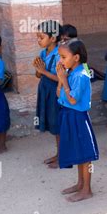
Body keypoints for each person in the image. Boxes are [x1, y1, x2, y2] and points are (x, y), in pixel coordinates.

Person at [56, 40, 99, 202]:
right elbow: (58, 93)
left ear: (76, 58)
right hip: (68, 115)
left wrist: (64, 80)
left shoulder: (80, 75)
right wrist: (62, 79)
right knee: (78, 151)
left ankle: (87, 189)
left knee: (85, 154)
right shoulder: (71, 72)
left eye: (63, 57)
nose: (60, 61)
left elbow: (73, 99)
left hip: (78, 117)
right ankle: (80, 184)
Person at [33, 20, 62, 168]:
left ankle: (63, 156)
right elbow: (38, 76)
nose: (38, 40)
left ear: (53, 38)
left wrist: (43, 71)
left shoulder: (60, 55)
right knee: (52, 122)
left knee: (57, 124)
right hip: (44, 89)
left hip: (55, 91)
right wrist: (39, 70)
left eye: (41, 37)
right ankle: (59, 154)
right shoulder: (43, 53)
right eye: (37, 37)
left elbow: (61, 79)